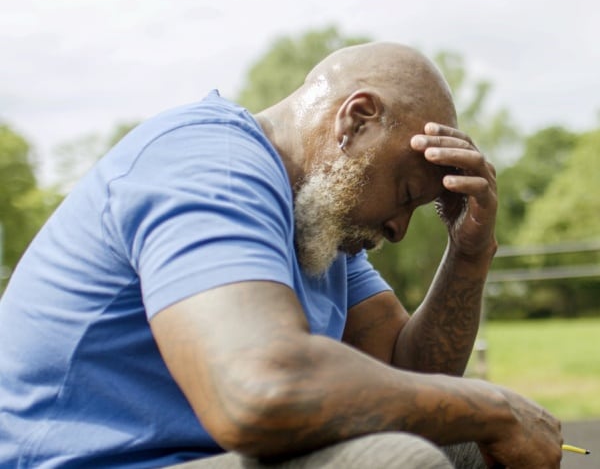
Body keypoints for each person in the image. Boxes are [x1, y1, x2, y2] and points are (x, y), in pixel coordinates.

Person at [0, 42, 562, 468]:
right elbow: (258, 392)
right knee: (396, 461)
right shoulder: (210, 164)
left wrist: (469, 254)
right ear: (356, 119)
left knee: (466, 442)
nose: (396, 229)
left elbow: (405, 377)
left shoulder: (316, 222)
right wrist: (495, 406)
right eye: (407, 194)